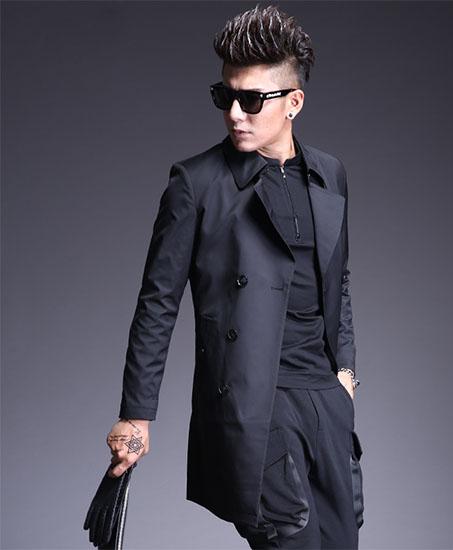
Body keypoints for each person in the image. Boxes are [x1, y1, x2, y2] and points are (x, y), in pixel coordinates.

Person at [105, 4, 365, 548]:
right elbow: (158, 302)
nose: (234, 114)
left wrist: (345, 373)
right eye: (225, 96)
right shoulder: (197, 183)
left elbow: (337, 281)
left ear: (294, 102)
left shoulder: (329, 174)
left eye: (251, 100)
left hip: (326, 403)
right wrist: (136, 415)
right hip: (256, 408)